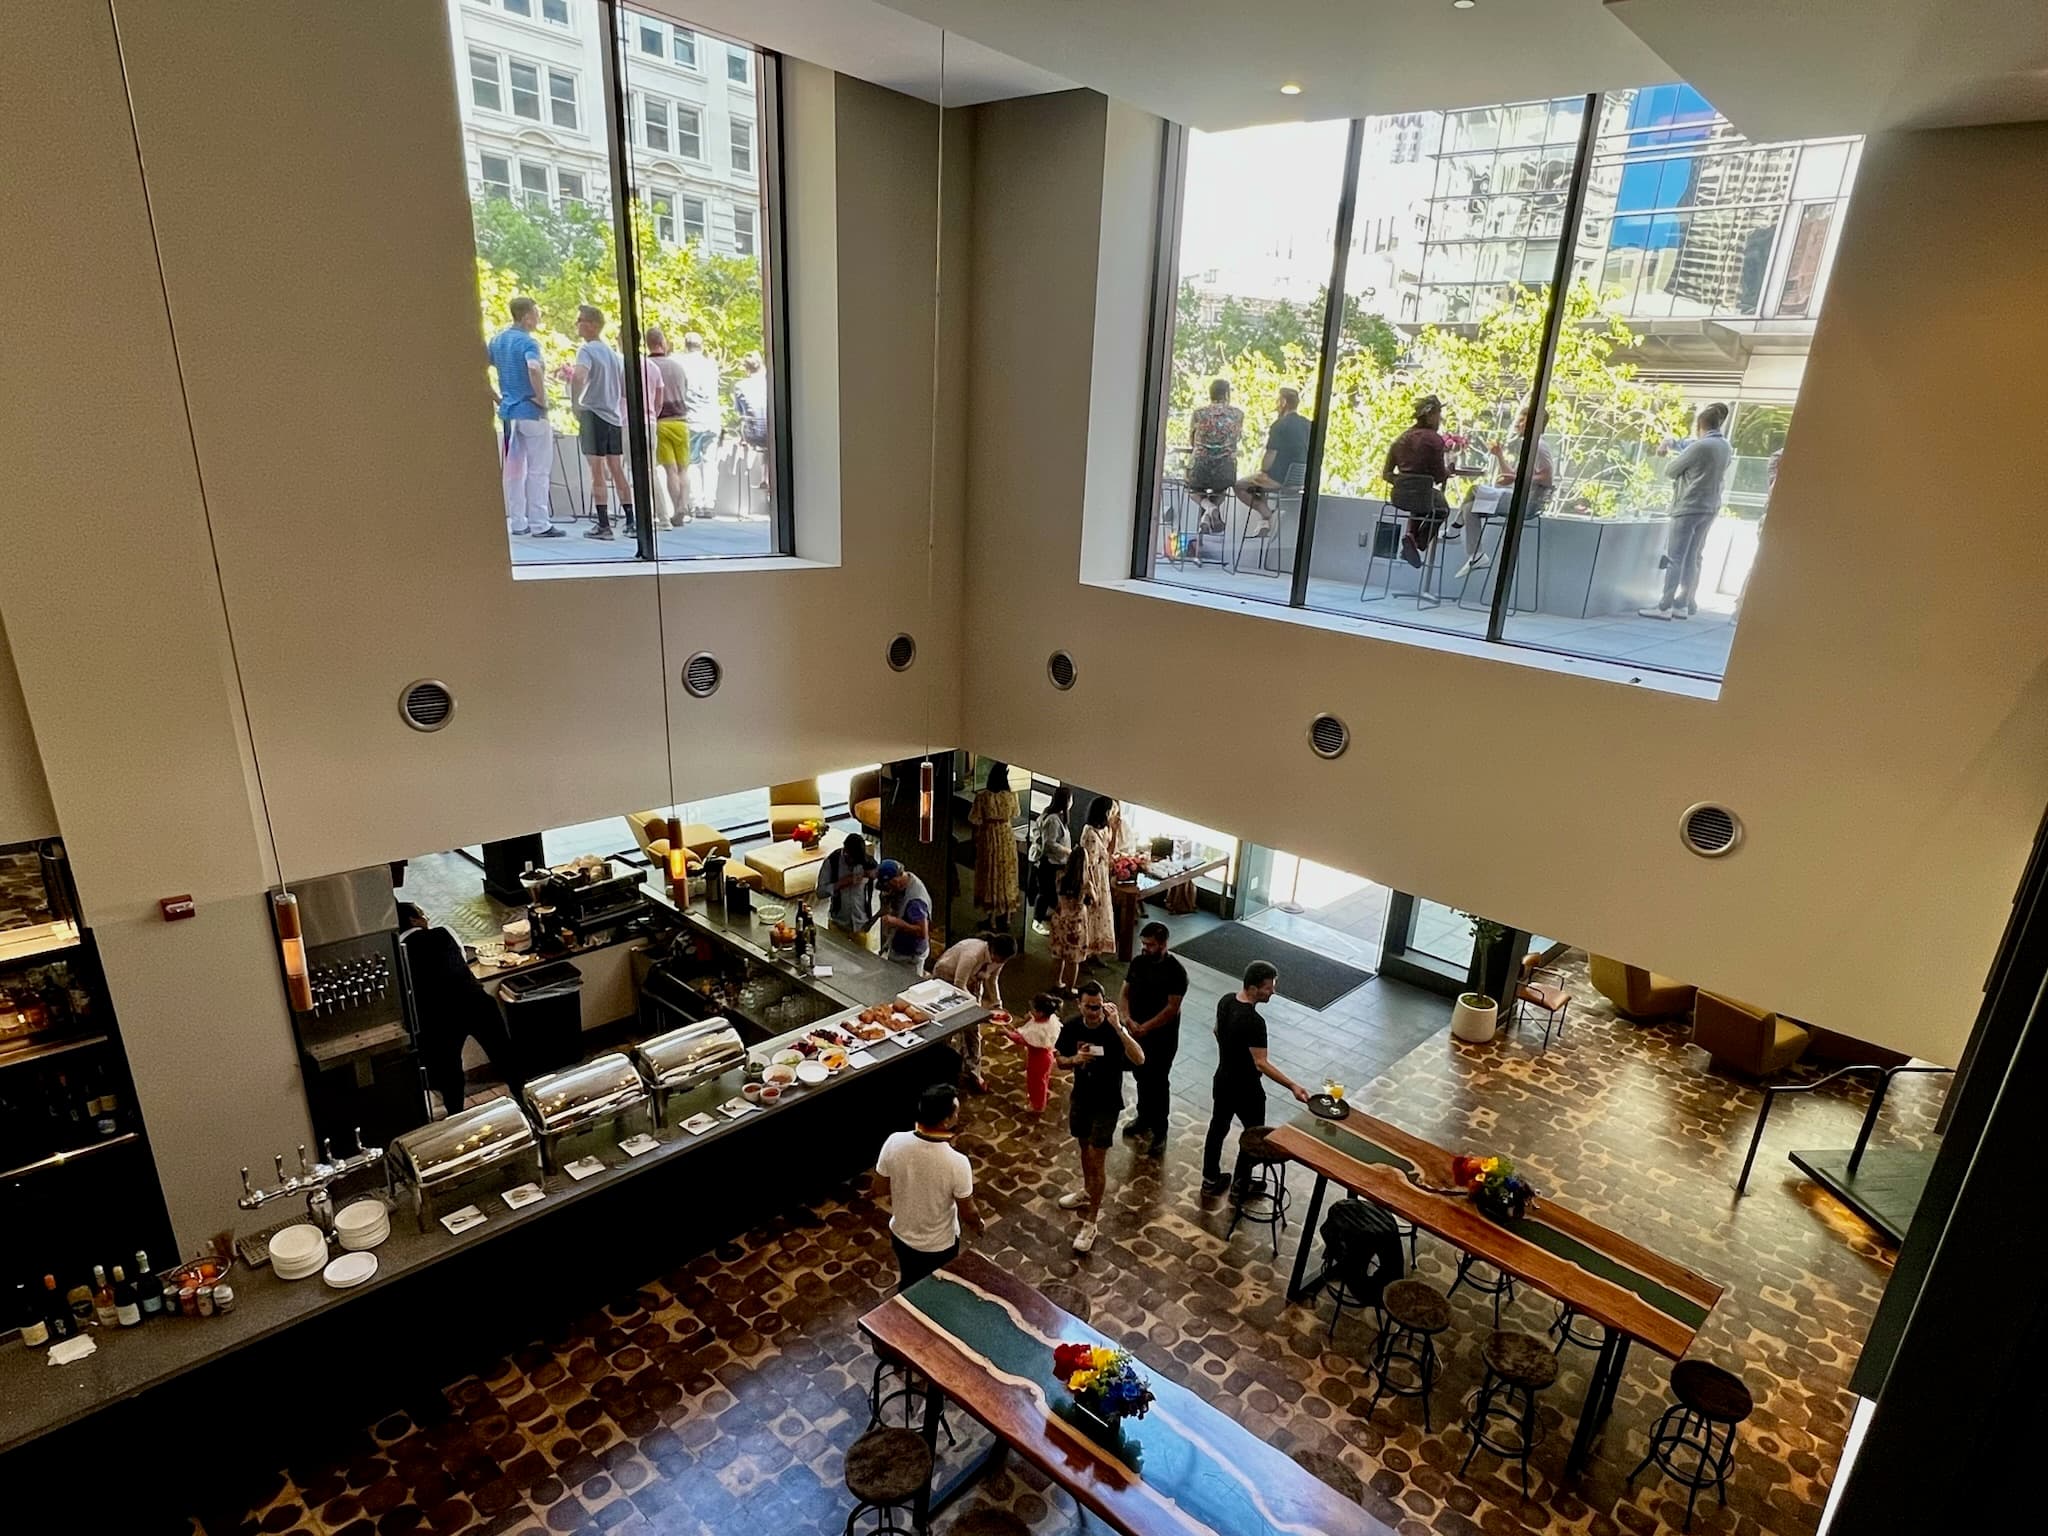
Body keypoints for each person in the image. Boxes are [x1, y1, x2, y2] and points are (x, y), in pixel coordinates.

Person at [396, 902, 525, 1117]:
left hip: (437, 1017)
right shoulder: (444, 932)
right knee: (503, 1054)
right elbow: (461, 961)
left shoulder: (399, 952)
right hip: (474, 1002)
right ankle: (523, 1098)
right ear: (414, 920)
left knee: (449, 1072)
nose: (427, 919)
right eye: (423, 914)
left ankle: (457, 1116)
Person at [1200, 961, 1310, 1198]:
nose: (1273, 992)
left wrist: (1230, 1053)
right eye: (1268, 987)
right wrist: (1292, 1085)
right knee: (1254, 1132)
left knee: (1218, 1127)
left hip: (1223, 1079)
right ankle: (1242, 1183)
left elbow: (1216, 1031)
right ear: (1253, 988)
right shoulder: (1254, 1022)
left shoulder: (1226, 1001)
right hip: (1246, 1088)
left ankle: (1210, 1179)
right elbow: (1261, 1062)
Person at [1053, 983, 1144, 1255]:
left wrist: (1119, 1027)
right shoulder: (1072, 1026)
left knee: (1097, 1157)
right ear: (1080, 1005)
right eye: (1089, 1007)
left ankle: (1091, 1221)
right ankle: (1086, 1190)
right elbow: (1060, 1060)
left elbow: (1139, 1058)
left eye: (1098, 1006)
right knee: (1083, 1148)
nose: (1094, 1012)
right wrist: (1076, 1059)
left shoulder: (1112, 1030)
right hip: (1082, 1097)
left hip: (1106, 1103)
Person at [873, 1082, 980, 1290]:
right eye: (956, 1113)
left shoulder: (894, 1142)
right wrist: (978, 1224)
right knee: (936, 1289)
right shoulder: (957, 1163)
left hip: (901, 1235)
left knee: (909, 1282)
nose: (958, 1117)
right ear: (946, 1121)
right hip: (939, 1245)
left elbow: (879, 1188)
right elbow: (968, 1211)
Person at [1640, 402, 1734, 621]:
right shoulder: (1725, 446)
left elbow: (1671, 470)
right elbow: (1686, 445)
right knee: (1694, 556)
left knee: (1675, 556)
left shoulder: (1700, 446)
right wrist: (1670, 442)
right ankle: (1683, 602)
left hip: (1689, 505)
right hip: (1710, 507)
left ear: (1699, 425)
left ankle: (1664, 605)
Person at [488, 296, 563, 540]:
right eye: (536, 314)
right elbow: (533, 367)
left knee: (514, 470)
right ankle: (540, 522)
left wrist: (497, 398)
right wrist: (540, 399)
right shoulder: (528, 343)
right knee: (538, 469)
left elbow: (479, 369)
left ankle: (518, 521)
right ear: (527, 317)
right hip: (531, 412)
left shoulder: (497, 341)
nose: (539, 318)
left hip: (509, 413)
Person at [1454, 406, 1553, 580]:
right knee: (1469, 507)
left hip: (1528, 502)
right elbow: (1513, 475)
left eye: (1523, 420)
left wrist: (1517, 477)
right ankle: (1476, 555)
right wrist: (1499, 455)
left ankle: (1453, 530)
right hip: (1520, 496)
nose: (1519, 424)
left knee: (1475, 489)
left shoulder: (1538, 445)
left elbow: (1547, 478)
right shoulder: (1529, 445)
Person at [1382, 393, 1475, 570]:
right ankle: (1419, 542)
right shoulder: (1434, 440)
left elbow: (1386, 474)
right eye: (1439, 415)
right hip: (1422, 495)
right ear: (1431, 416)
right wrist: (1449, 470)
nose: (1440, 419)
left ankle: (1410, 537)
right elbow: (1439, 477)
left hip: (1399, 497)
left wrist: (1404, 482)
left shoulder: (1400, 439)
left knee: (1421, 502)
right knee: (1441, 508)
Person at [1118, 921, 1188, 1154]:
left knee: (1158, 1081)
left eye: (1150, 944)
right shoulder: (1139, 962)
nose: (1145, 948)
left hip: (1162, 1039)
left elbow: (1172, 1008)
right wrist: (1126, 1018)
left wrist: (1146, 1027)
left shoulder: (1176, 973)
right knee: (1140, 1075)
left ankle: (1160, 1129)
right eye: (1144, 943)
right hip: (1137, 1032)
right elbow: (1125, 991)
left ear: (1163, 944)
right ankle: (1143, 1117)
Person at [570, 305, 634, 541]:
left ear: (593, 325)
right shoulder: (613, 355)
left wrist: (575, 403)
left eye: (581, 320)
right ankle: (631, 520)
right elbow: (624, 388)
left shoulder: (586, 350)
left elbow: (578, 376)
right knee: (616, 468)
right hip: (613, 416)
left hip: (593, 413)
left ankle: (604, 524)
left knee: (596, 470)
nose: (577, 324)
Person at [932, 930, 1017, 1095]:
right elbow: (959, 984)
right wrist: (978, 1008)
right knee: (947, 1028)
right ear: (993, 950)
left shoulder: (999, 958)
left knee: (973, 1030)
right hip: (946, 981)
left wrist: (997, 1004)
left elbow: (992, 979)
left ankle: (973, 1071)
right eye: (1000, 958)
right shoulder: (972, 955)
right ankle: (943, 1072)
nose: (1001, 962)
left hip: (972, 983)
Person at [1232, 386, 1310, 539]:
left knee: (1240, 485)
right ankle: (1264, 524)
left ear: (1283, 402)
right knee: (1259, 484)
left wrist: (1263, 470)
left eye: (1277, 400)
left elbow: (1269, 458)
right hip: (1299, 479)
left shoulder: (1279, 425)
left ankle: (1268, 515)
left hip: (1279, 480)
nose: (1276, 404)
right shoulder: (1308, 424)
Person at [645, 326, 691, 530]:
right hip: (681, 421)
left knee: (670, 469)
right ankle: (683, 505)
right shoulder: (678, 367)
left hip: (661, 422)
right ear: (663, 343)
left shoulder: (648, 367)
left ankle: (675, 508)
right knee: (683, 469)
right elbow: (685, 390)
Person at [1186, 379, 1245, 533]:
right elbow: (1236, 439)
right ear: (1227, 394)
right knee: (1222, 490)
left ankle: (1209, 509)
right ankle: (1209, 514)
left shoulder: (1199, 414)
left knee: (1192, 489)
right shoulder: (1238, 414)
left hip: (1200, 469)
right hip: (1225, 470)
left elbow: (1192, 442)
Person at [677, 332, 722, 518]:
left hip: (692, 419)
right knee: (711, 463)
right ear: (701, 346)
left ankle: (697, 504)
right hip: (712, 418)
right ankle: (710, 504)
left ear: (686, 345)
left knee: (693, 463)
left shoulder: (681, 364)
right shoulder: (711, 365)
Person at [968, 761, 1020, 923]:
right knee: (1007, 873)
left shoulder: (983, 797)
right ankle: (1007, 915)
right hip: (1006, 836)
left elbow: (975, 819)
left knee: (990, 872)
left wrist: (974, 839)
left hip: (989, 836)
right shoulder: (1012, 796)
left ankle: (991, 917)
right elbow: (1016, 813)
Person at [1003, 992, 1064, 1116]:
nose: (1031, 1011)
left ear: (1040, 1013)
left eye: (1033, 1009)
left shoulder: (1038, 1030)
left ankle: (1037, 1105)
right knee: (1043, 1079)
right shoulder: (1049, 1019)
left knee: (1035, 1082)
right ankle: (1040, 1098)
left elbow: (1022, 1039)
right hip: (1047, 1055)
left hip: (1038, 1059)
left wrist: (1007, 1033)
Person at [812, 832, 877, 937]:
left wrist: (875, 875)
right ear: (846, 852)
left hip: (861, 924)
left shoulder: (867, 862)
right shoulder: (832, 862)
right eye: (853, 860)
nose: (855, 864)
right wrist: (841, 883)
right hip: (838, 923)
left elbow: (881, 884)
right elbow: (820, 893)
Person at [1028, 785, 1073, 932]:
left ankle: (1043, 916)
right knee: (1046, 892)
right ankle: (1037, 921)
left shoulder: (1055, 816)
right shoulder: (1053, 819)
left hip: (1055, 861)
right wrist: (1067, 851)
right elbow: (1050, 844)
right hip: (1049, 862)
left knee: (1049, 892)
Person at [1047, 845, 1091, 995]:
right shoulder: (1085, 884)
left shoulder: (1060, 877)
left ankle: (1056, 982)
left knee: (1057, 955)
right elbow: (1095, 900)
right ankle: (1069, 989)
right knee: (1073, 959)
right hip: (1075, 924)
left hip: (1059, 919)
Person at [876, 859, 934, 969]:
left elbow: (922, 932)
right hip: (896, 947)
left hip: (910, 956)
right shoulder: (907, 879)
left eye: (889, 884)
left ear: (896, 880)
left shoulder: (915, 902)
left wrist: (897, 923)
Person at [1078, 796, 1117, 961]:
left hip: (1102, 875)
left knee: (1100, 913)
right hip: (1094, 877)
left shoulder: (1104, 829)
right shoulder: (1090, 833)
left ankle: (1096, 950)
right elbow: (1089, 863)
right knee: (1092, 912)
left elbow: (1109, 850)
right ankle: (1086, 950)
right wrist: (1091, 886)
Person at [735, 351, 770, 501]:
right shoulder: (770, 382)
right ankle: (766, 478)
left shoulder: (740, 386)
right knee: (770, 441)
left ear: (746, 368)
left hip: (751, 434)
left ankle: (764, 478)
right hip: (770, 430)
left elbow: (739, 410)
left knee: (748, 422)